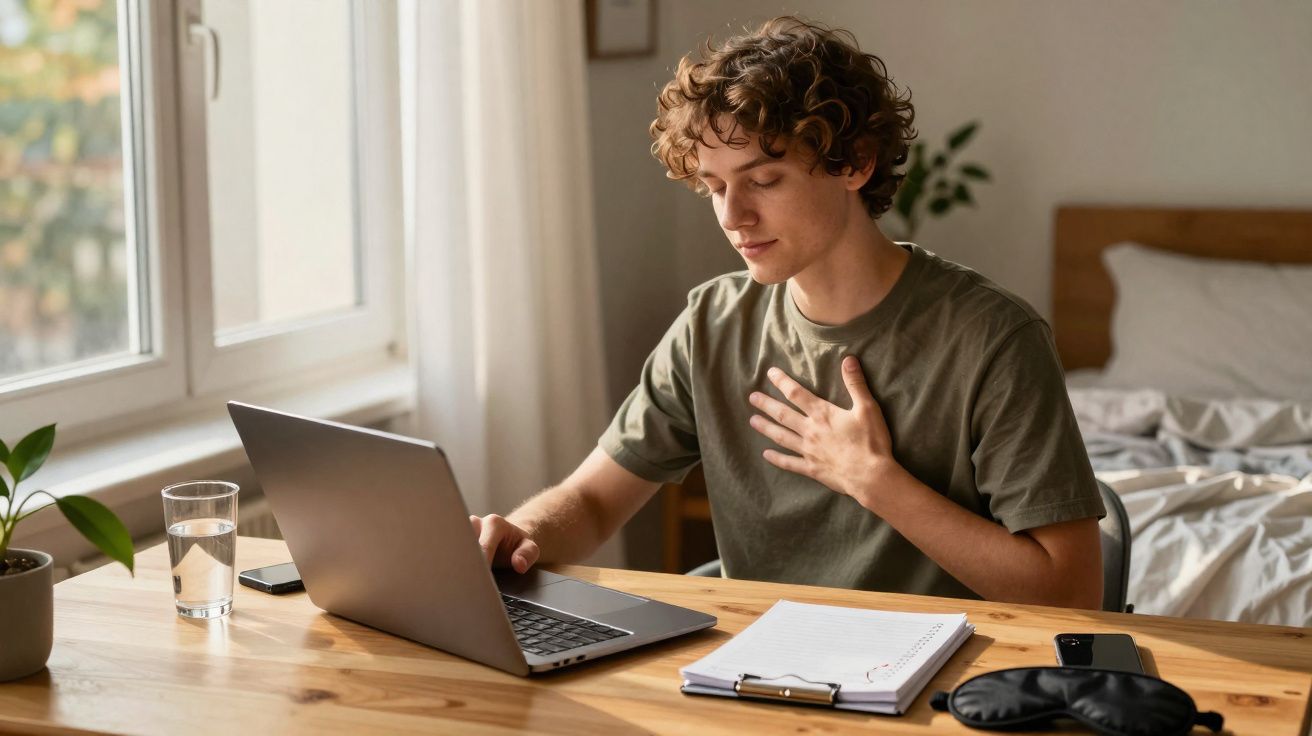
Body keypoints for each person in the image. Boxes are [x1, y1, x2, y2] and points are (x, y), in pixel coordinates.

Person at [470, 16, 1105, 608]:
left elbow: (1072, 592)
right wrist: (520, 537)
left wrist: (875, 481)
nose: (732, 216)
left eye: (763, 180)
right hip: (756, 668)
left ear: (855, 163)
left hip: (941, 670)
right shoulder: (711, 325)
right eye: (715, 187)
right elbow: (591, 502)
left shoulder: (994, 338)